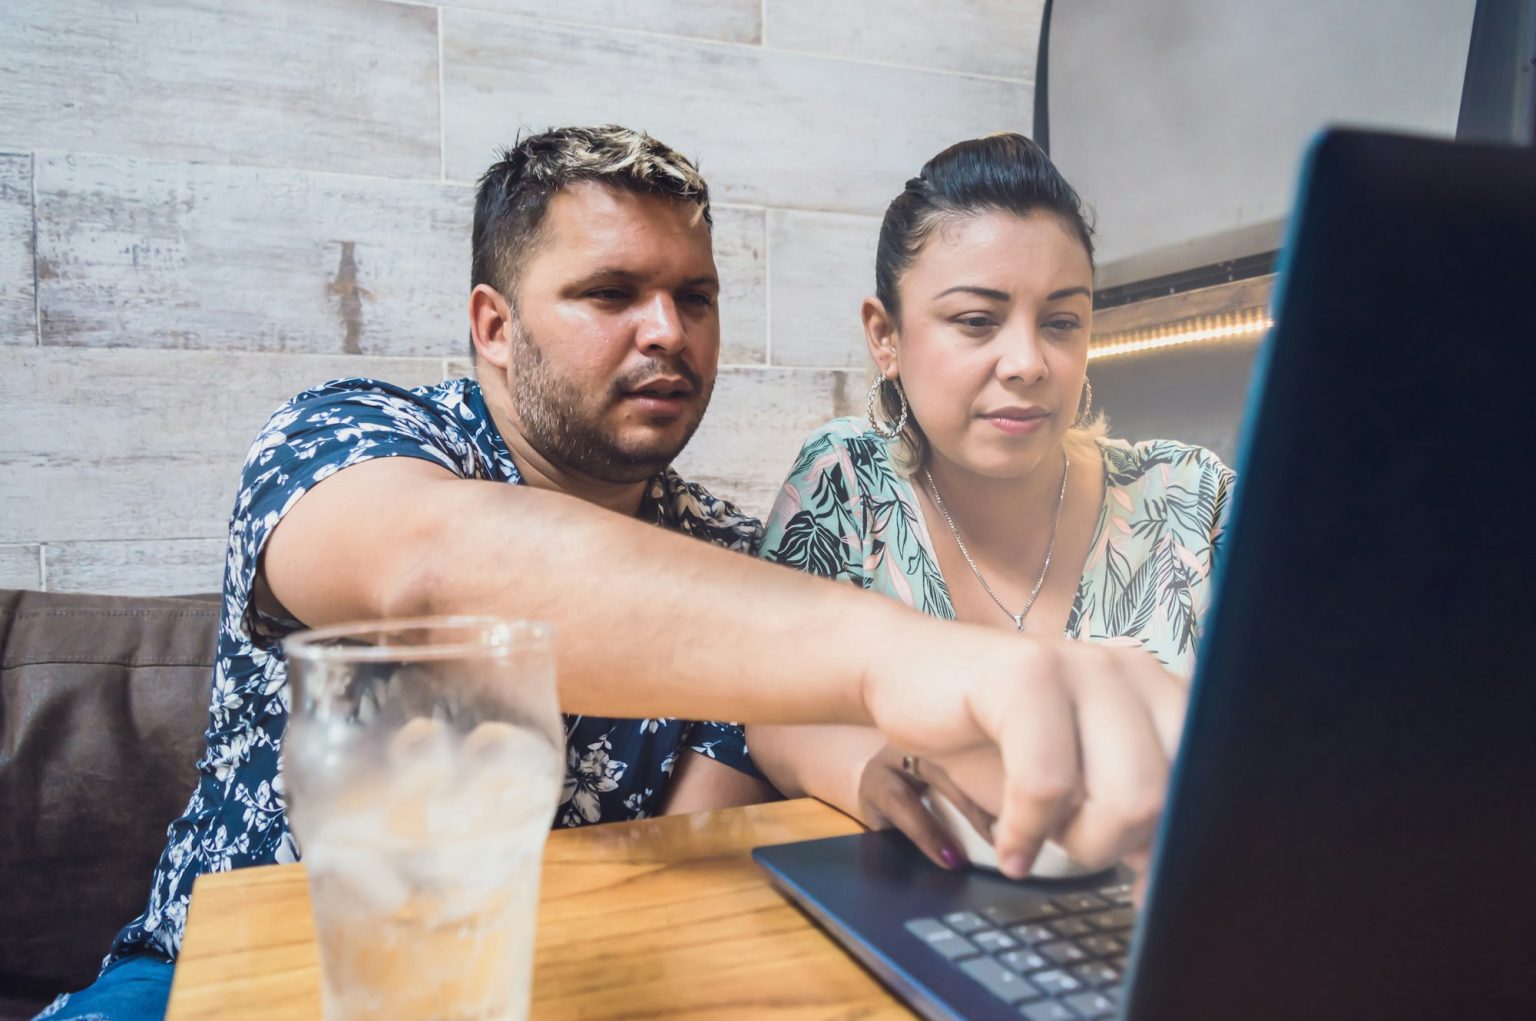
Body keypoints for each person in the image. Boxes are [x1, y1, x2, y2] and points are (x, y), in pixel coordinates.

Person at [36, 126, 1190, 1021]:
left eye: (695, 297)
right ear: (493, 324)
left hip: (566, 982)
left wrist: (900, 763)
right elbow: (434, 572)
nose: (667, 332)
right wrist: (909, 660)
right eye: (609, 293)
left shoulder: (727, 551)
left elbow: (754, 766)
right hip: (218, 976)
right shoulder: (347, 440)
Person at [748, 133, 1235, 874]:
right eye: (977, 320)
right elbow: (774, 710)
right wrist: (872, 771)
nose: (1029, 363)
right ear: (886, 336)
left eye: (1062, 321)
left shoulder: (1191, 496)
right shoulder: (846, 480)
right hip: (922, 903)